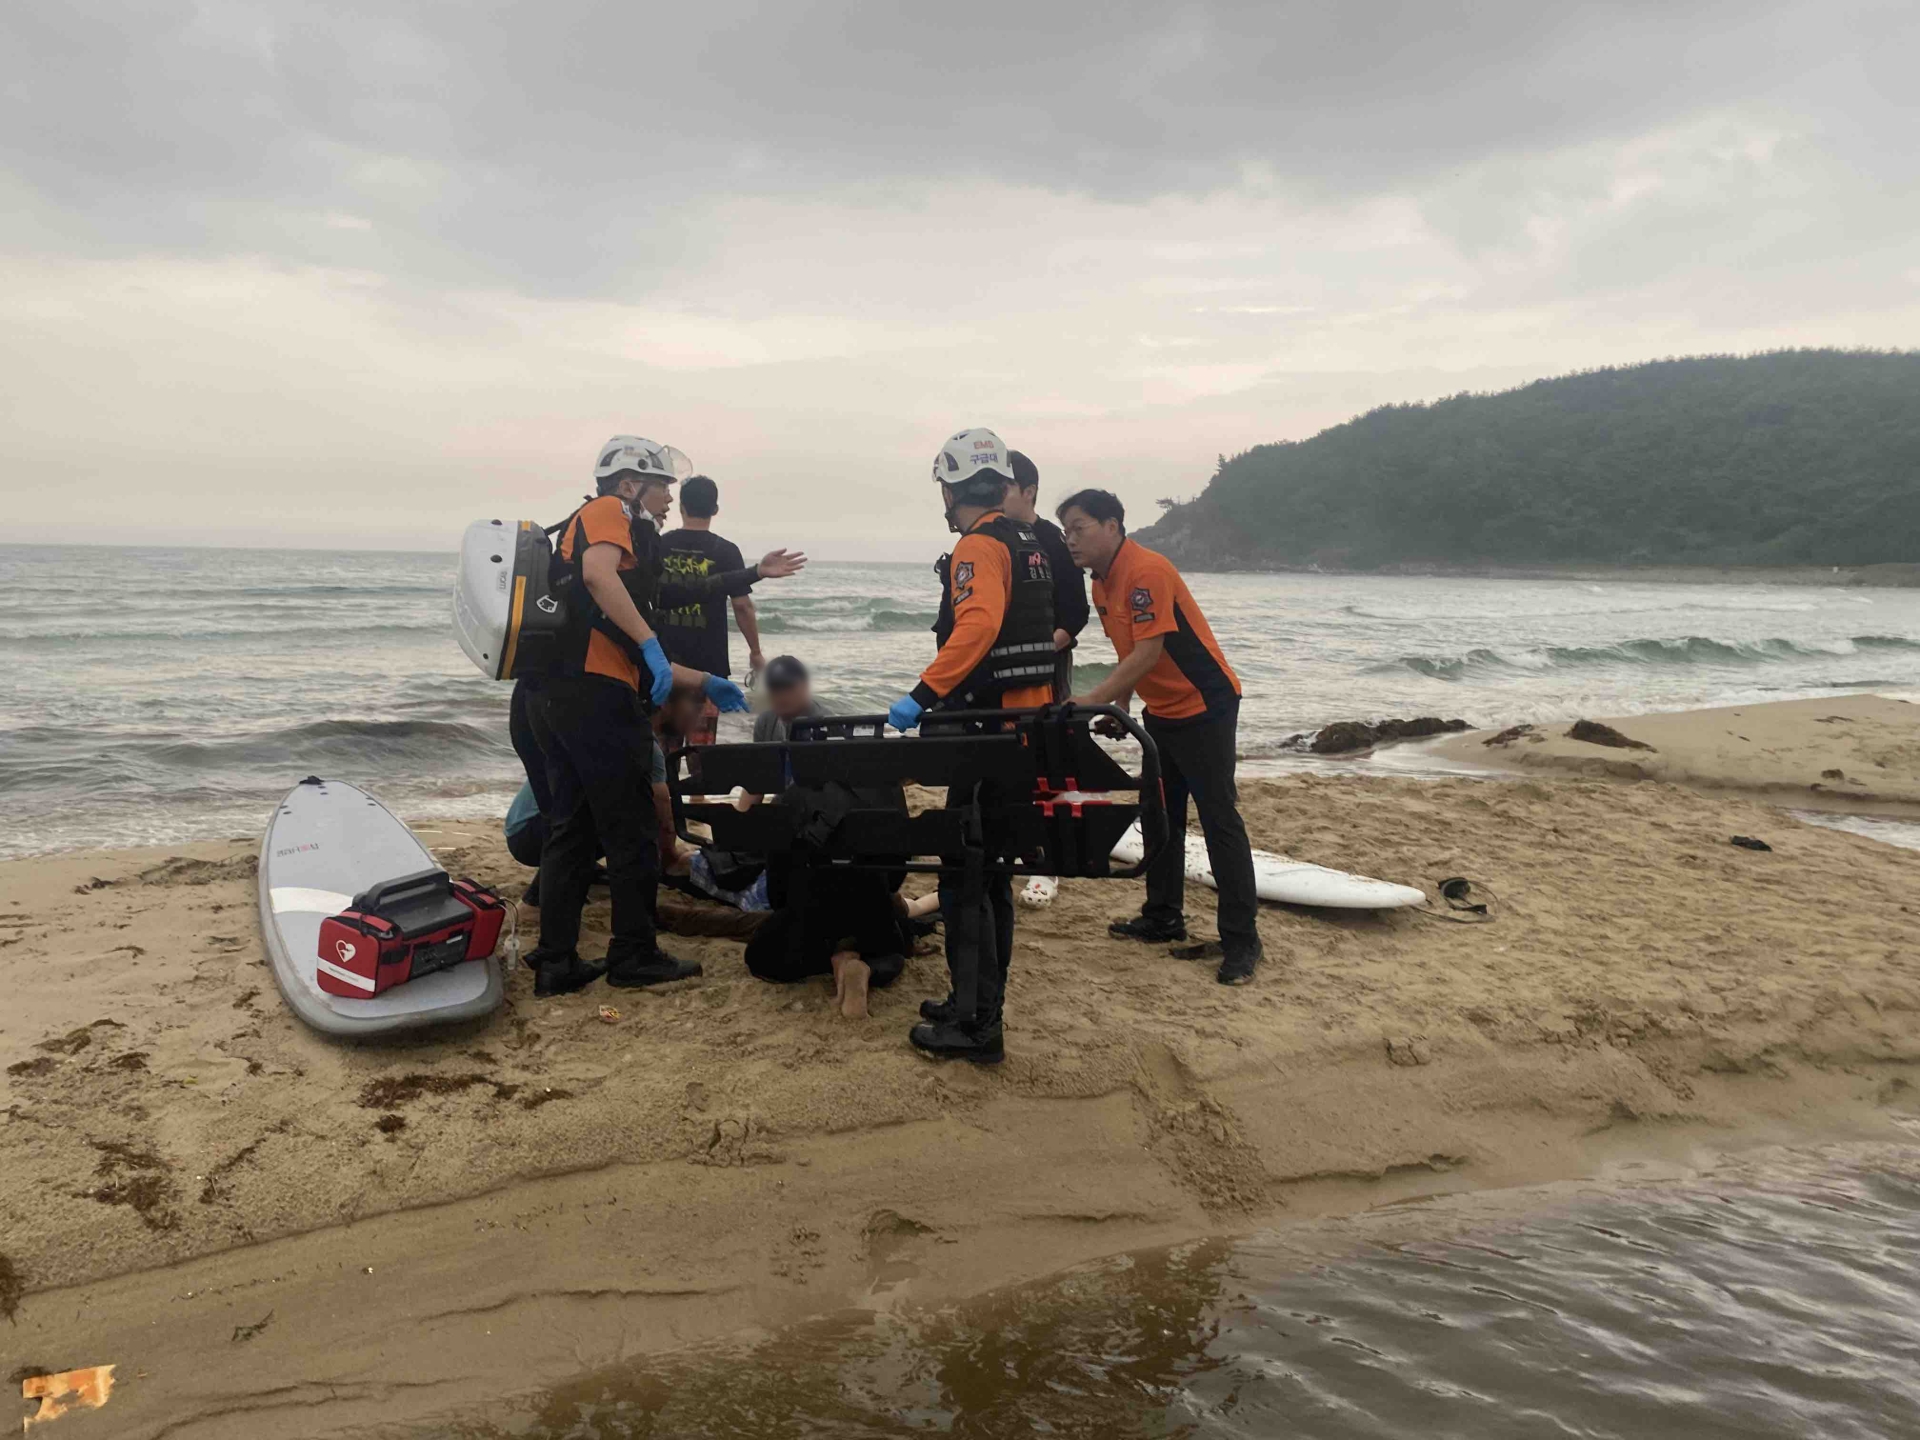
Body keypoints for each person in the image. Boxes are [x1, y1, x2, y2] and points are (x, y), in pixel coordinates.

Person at [523, 435, 803, 998]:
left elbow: (666, 596)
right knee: (631, 829)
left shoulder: (631, 548)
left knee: (573, 830)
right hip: (596, 701)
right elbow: (602, 577)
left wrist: (702, 675)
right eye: (661, 486)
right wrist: (652, 647)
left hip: (562, 697)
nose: (669, 497)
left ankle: (555, 960)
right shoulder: (606, 512)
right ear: (630, 485)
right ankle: (633, 953)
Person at [886, 427, 1056, 1063]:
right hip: (1022, 728)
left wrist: (920, 696)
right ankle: (971, 1002)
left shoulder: (978, 547)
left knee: (967, 877)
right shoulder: (1027, 539)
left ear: (952, 489)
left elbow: (979, 623)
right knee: (986, 877)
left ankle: (977, 1026)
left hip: (991, 735)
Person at [1056, 488, 1261, 986]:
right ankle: (1164, 917)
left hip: (1207, 705)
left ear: (1112, 525)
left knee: (1218, 821)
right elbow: (1131, 656)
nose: (1071, 540)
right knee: (1161, 815)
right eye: (1066, 532)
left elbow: (1149, 651)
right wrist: (1118, 706)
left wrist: (1091, 701)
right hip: (1163, 710)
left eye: (1079, 528)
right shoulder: (1101, 584)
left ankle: (1242, 941)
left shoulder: (1146, 571)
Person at [657, 475, 767, 748]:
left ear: (681, 507)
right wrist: (755, 651)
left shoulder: (658, 545)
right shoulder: (727, 551)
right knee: (701, 748)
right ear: (715, 509)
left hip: (666, 661)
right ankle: (697, 792)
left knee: (664, 747)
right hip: (710, 663)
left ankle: (667, 791)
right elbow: (742, 605)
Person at [1003, 450, 1090, 699]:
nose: (996, 497)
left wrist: (1040, 652)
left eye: (1005, 488)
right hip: (999, 667)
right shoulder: (991, 539)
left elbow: (1076, 613)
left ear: (1028, 492)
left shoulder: (1055, 541)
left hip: (1050, 666)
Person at [751, 654, 830, 743]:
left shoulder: (827, 723)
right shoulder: (764, 723)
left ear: (805, 686)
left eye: (787, 686)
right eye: (775, 688)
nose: (781, 695)